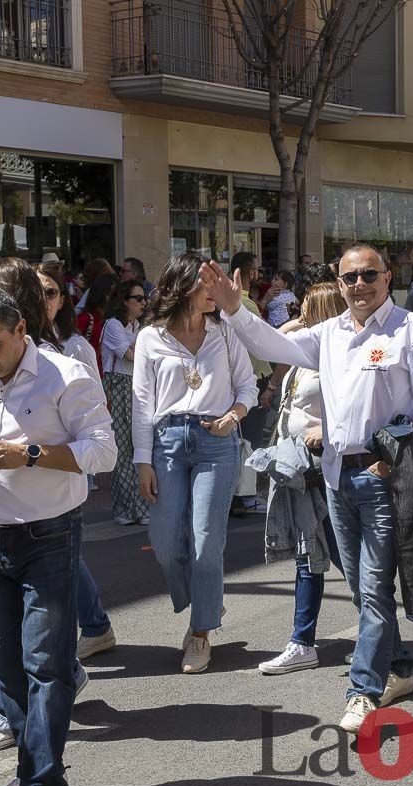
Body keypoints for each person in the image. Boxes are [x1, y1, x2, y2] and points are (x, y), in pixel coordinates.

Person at [201, 243, 413, 732]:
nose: (360, 285)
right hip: (338, 478)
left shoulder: (412, 330)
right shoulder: (330, 334)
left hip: (381, 479)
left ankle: (362, 690)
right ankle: (399, 666)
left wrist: (396, 462)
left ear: (388, 278)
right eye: (350, 277)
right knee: (361, 589)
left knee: (376, 588)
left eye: (369, 275)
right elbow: (275, 346)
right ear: (339, 284)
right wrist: (234, 310)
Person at [0, 291, 116, 786]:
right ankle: (28, 773)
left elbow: (103, 451)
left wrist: (28, 453)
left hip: (50, 535)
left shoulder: (66, 374)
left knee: (48, 665)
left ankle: (41, 785)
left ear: (19, 331)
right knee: (8, 666)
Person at [133, 254, 258, 675]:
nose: (216, 290)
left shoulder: (226, 333)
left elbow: (248, 386)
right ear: (184, 287)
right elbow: (140, 405)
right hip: (166, 440)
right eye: (208, 282)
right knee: (167, 543)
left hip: (216, 441)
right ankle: (207, 597)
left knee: (206, 542)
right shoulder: (151, 337)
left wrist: (233, 416)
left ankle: (200, 631)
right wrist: (142, 461)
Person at [256, 283, 348, 675]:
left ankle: (383, 633)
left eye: (308, 308)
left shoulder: (337, 356)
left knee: (342, 554)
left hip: (325, 464)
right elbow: (271, 343)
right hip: (298, 464)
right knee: (309, 554)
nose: (300, 313)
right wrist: (296, 323)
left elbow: (352, 407)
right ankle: (302, 641)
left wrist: (326, 432)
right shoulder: (303, 353)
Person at [229, 252, 277, 515]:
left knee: (244, 439)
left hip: (243, 379)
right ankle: (244, 496)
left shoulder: (244, 303)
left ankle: (240, 495)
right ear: (249, 273)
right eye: (257, 270)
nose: (260, 275)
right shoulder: (243, 305)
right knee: (249, 441)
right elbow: (263, 340)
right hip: (253, 380)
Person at [102, 280, 149, 526]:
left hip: (135, 386)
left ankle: (140, 507)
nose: (143, 303)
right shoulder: (113, 325)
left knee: (138, 446)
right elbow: (130, 355)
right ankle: (124, 508)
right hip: (118, 386)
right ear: (124, 301)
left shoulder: (138, 325)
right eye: (137, 298)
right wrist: (139, 351)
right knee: (121, 449)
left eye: (144, 298)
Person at [76, 273, 116, 374]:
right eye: (113, 294)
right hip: (87, 373)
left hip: (104, 375)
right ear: (104, 295)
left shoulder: (112, 320)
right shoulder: (86, 319)